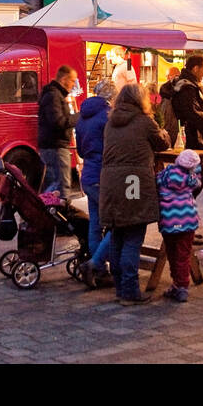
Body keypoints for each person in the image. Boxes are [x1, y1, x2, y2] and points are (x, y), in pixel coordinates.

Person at [99, 83, 169, 306]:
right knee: (133, 234)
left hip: (110, 182)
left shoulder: (111, 122)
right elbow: (162, 144)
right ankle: (130, 291)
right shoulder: (144, 121)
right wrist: (164, 133)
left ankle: (120, 288)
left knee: (118, 233)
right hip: (134, 182)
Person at [75, 80, 116, 289]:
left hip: (89, 175)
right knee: (118, 224)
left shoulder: (82, 117)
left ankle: (100, 271)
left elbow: (81, 151)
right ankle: (95, 264)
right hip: (104, 176)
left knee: (95, 225)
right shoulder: (108, 117)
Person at [156, 148, 203, 303]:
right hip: (187, 223)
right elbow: (198, 183)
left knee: (172, 254)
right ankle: (182, 286)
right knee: (183, 255)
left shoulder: (164, 176)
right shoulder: (190, 180)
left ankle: (176, 283)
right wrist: (197, 169)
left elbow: (155, 180)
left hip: (169, 223)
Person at [37, 65, 79, 196]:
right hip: (56, 146)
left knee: (54, 184)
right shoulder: (54, 96)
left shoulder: (54, 94)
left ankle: (48, 210)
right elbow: (58, 122)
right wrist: (77, 117)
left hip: (52, 146)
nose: (74, 84)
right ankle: (55, 211)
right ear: (64, 79)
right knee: (61, 186)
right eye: (72, 80)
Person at [171, 54, 203, 151]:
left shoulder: (181, 84)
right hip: (188, 141)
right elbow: (195, 117)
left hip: (184, 138)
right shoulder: (187, 88)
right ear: (195, 69)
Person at [158, 66, 181, 145]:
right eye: (166, 76)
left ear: (177, 75)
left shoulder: (168, 100)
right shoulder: (166, 99)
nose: (167, 78)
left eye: (169, 75)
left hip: (173, 130)